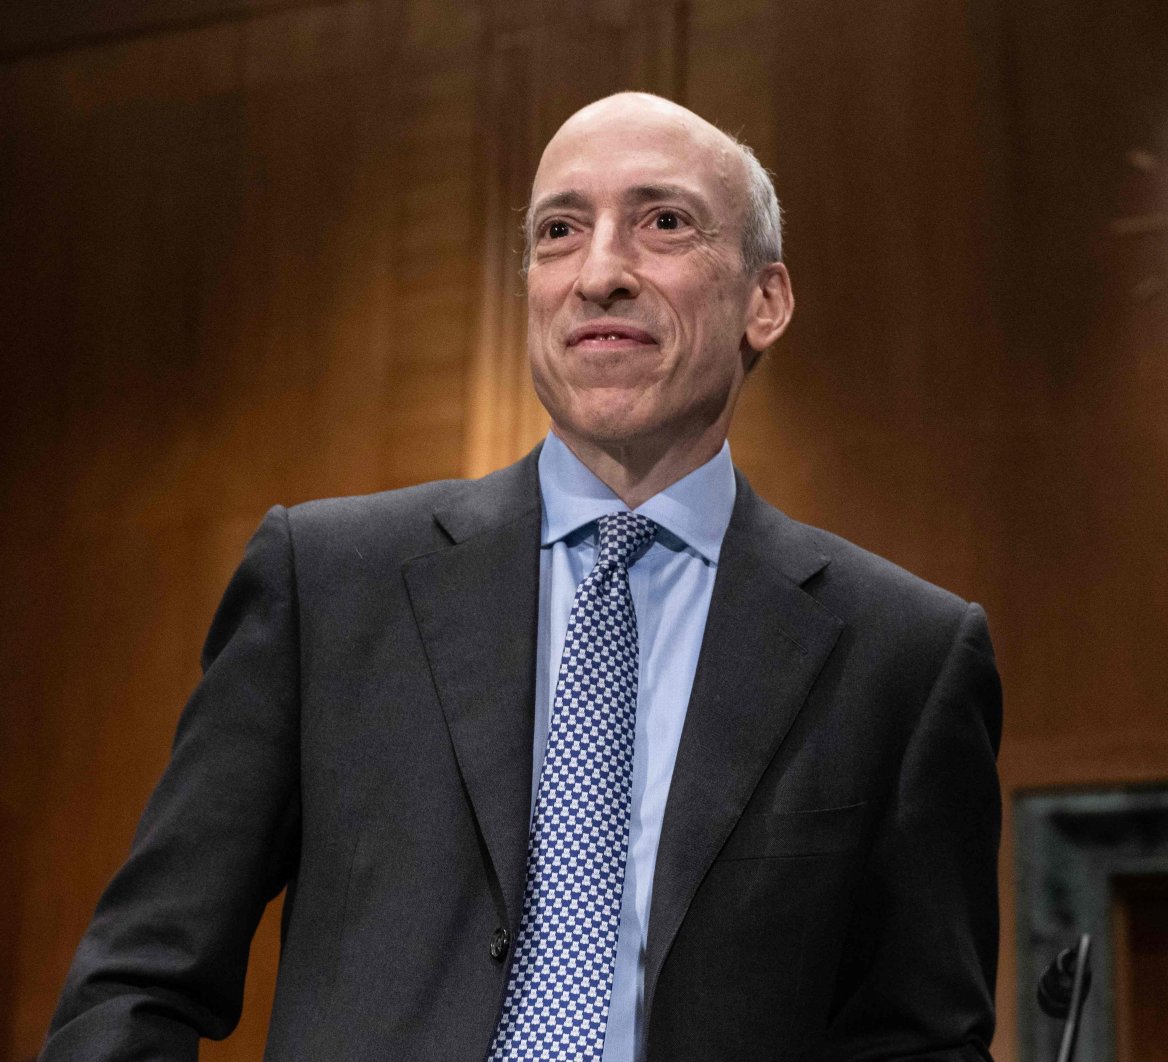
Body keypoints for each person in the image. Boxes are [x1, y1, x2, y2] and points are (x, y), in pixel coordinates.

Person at [44, 92, 1002, 1061]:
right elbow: (141, 978)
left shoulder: (904, 655)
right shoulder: (327, 583)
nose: (600, 274)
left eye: (663, 222)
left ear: (766, 301)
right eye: (559, 231)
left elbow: (918, 1038)